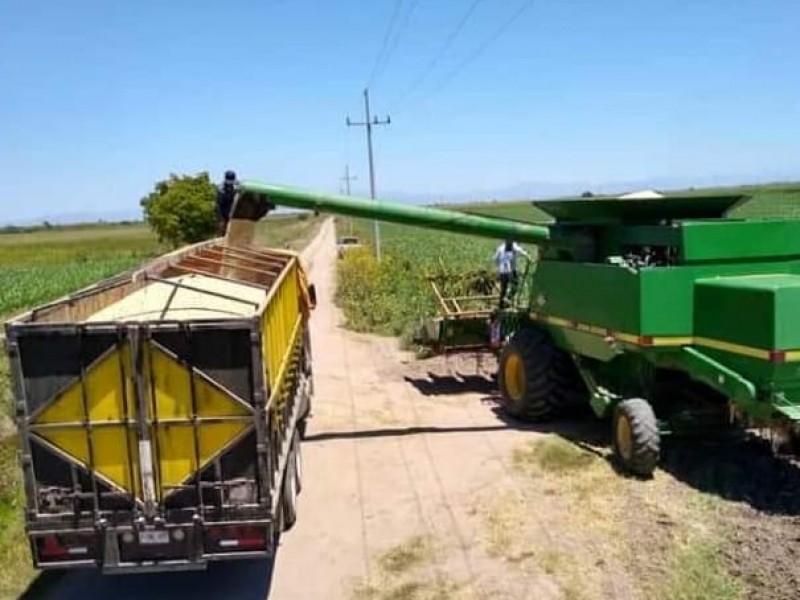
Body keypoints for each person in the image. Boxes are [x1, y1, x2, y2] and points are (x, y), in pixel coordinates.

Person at [494, 239, 531, 308]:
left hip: (502, 271)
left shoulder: (500, 247)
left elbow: (495, 259)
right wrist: (528, 257)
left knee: (503, 289)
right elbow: (522, 252)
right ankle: (508, 298)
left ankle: (501, 304)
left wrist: (499, 267)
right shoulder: (514, 246)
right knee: (515, 285)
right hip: (510, 270)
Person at [215, 170, 238, 236]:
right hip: (222, 209)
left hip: (232, 209)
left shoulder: (236, 186)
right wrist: (221, 218)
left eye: (232, 180)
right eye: (229, 180)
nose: (230, 181)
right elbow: (218, 204)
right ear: (226, 179)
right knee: (222, 226)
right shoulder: (221, 189)